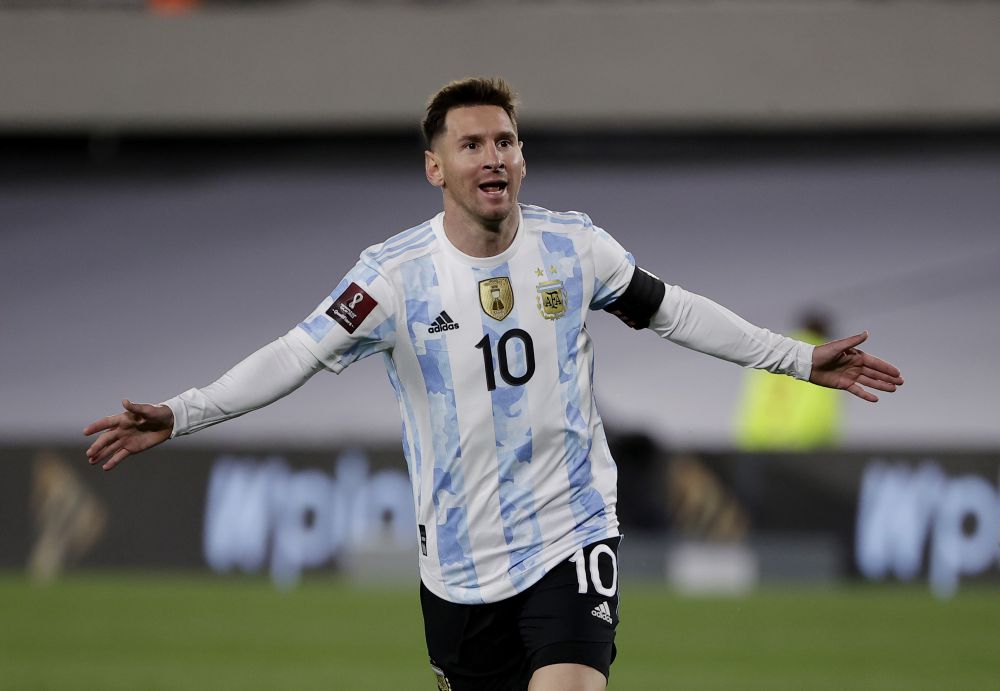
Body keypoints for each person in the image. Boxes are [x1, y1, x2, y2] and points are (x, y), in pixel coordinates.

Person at [84, 77, 904, 691]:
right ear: (434, 167)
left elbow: (673, 309)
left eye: (505, 141)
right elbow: (293, 355)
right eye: (472, 145)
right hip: (459, 562)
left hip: (571, 531)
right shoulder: (392, 278)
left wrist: (795, 358)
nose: (495, 157)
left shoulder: (574, 248)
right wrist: (182, 413)